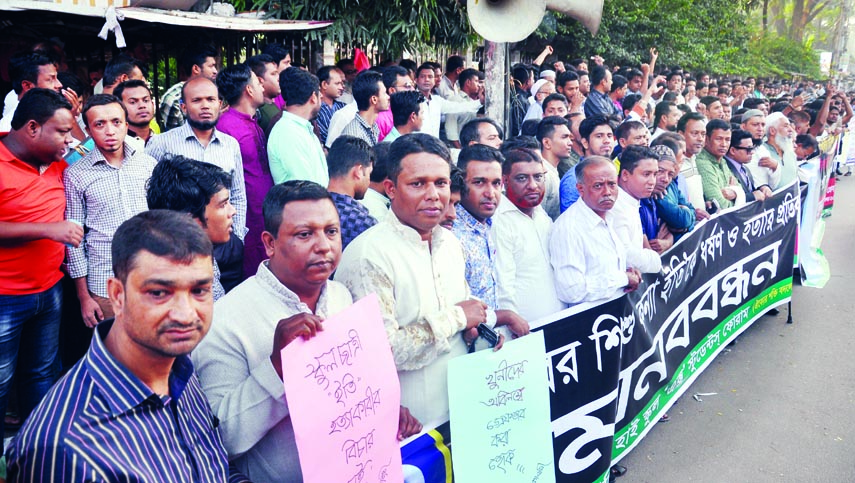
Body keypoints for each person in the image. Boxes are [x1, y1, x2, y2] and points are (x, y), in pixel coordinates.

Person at [5, 210, 237, 482]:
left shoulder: (179, 367)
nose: (186, 314)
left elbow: (210, 466)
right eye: (159, 293)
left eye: (199, 291)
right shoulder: (64, 449)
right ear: (117, 295)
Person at [334, 133, 490, 424]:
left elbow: (464, 312)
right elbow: (381, 351)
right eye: (418, 183)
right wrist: (457, 318)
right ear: (391, 189)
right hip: (405, 427)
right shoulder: (369, 255)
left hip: (461, 412)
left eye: (440, 183)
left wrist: (476, 328)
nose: (434, 194)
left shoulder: (450, 243)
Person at [0, 89, 80, 453]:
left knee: (41, 374)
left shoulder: (59, 161)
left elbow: (98, 151)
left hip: (49, 291)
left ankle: (36, 451)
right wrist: (48, 230)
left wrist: (76, 119)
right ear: (32, 128)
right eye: (62, 132)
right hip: (5, 298)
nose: (69, 140)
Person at [65, 94, 157, 327]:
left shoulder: (148, 165)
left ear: (126, 124)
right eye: (99, 124)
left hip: (150, 277)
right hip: (103, 283)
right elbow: (74, 240)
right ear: (87, 130)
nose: (109, 131)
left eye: (116, 122)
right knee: (112, 354)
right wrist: (84, 297)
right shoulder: (76, 174)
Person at [146, 77, 247, 240]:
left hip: (223, 241)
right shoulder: (161, 143)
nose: (205, 105)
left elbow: (238, 194)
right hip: (180, 242)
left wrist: (237, 237)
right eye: (197, 100)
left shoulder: (230, 144)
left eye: (210, 99)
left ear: (220, 105)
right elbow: (149, 194)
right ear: (183, 107)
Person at [452, 145, 531, 340]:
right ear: (461, 183)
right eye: (479, 182)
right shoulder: (451, 234)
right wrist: (505, 317)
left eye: (496, 184)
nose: (490, 193)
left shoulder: (489, 224)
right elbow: (454, 311)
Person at [549, 156, 642, 306]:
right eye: (598, 186)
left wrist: (627, 270)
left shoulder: (609, 215)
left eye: (612, 184)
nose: (607, 192)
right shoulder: (569, 228)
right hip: (591, 324)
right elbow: (571, 290)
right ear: (580, 189)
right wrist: (623, 278)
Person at [145, 156, 236, 300]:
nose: (233, 211)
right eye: (223, 205)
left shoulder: (199, 253)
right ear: (189, 220)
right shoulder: (174, 282)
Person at [492, 148, 565, 321]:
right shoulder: (499, 220)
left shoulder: (541, 214)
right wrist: (511, 321)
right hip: (524, 330)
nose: (533, 185)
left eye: (538, 177)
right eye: (522, 178)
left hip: (559, 320)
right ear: (505, 181)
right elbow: (503, 282)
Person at [216, 63, 274, 278]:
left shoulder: (253, 122)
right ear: (249, 90)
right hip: (246, 217)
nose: (261, 85)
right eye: (257, 81)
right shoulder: (227, 127)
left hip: (263, 213)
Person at [267, 67, 328, 186]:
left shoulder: (301, 128)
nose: (321, 96)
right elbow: (306, 188)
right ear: (313, 97)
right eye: (319, 92)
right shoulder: (288, 133)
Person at [326, 136, 377, 249]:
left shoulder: (310, 209)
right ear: (359, 171)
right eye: (369, 173)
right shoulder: (364, 223)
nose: (369, 181)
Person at [559, 115, 615, 212]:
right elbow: (571, 219)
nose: (606, 141)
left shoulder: (612, 171)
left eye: (609, 136)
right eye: (599, 136)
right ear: (585, 143)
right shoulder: (574, 179)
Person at [159, 45, 218, 131]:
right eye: (211, 66)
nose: (215, 71)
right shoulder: (174, 97)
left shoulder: (214, 92)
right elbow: (175, 137)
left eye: (210, 99)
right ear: (196, 69)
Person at [696, 119, 743, 210]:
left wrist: (735, 192)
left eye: (727, 140)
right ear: (706, 139)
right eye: (718, 139)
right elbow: (720, 205)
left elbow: (740, 188)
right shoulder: (703, 163)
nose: (724, 144)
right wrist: (738, 198)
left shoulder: (722, 160)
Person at [538, 116, 574, 219]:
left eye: (569, 138)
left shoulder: (551, 170)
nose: (570, 143)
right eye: (564, 137)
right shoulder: (542, 174)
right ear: (547, 143)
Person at [340, 70, 390, 146]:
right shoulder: (354, 135)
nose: (388, 97)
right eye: (384, 93)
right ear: (374, 99)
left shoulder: (373, 127)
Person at [726, 129, 773, 202]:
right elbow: (731, 201)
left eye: (752, 148)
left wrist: (763, 188)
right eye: (748, 149)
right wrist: (752, 196)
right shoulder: (725, 169)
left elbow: (751, 191)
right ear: (732, 151)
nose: (752, 152)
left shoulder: (745, 168)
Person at [246, 54, 282, 137]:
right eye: (273, 74)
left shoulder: (271, 105)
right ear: (259, 80)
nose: (279, 78)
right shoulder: (258, 113)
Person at [114, 79, 158, 149]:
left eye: (146, 100)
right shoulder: (115, 143)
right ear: (119, 107)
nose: (142, 105)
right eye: (133, 102)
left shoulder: (163, 140)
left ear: (152, 104)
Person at [316, 65, 346, 146]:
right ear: (324, 84)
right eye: (337, 84)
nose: (341, 87)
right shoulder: (315, 109)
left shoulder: (344, 107)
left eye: (342, 84)